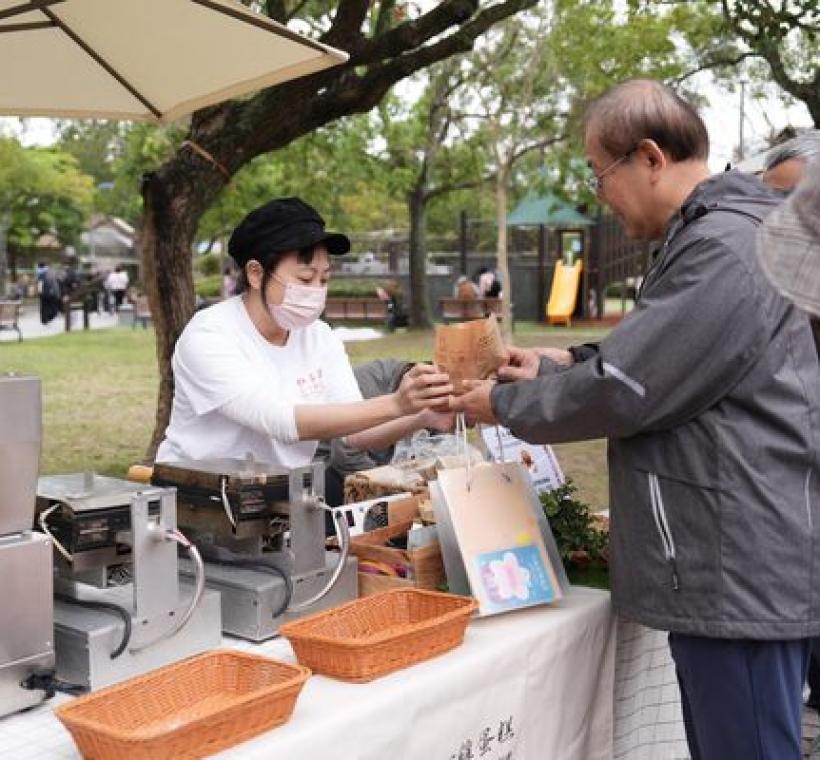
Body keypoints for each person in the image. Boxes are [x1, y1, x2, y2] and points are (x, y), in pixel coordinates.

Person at [452, 79, 820, 760]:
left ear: (649, 156)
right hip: (735, 555)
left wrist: (500, 403)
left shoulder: (724, 247)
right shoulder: (720, 235)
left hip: (736, 564)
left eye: (600, 175)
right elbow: (659, 358)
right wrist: (560, 363)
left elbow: (629, 387)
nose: (601, 196)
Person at [155, 197, 452, 470]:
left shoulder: (319, 337)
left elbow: (356, 432)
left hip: (282, 497)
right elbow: (280, 421)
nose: (316, 291)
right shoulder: (209, 335)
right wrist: (396, 403)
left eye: (324, 279)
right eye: (305, 278)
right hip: (199, 499)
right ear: (256, 273)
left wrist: (420, 416)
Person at [321, 359, 454, 506]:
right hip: (325, 475)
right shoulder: (367, 387)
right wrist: (392, 489)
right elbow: (344, 455)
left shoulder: (436, 402)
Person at [36, 261, 62, 325]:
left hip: (45, 293)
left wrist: (39, 292)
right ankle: (47, 318)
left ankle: (44, 320)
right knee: (52, 308)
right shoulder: (49, 272)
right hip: (50, 293)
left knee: (44, 307)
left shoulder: (40, 273)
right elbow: (56, 281)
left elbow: (40, 284)